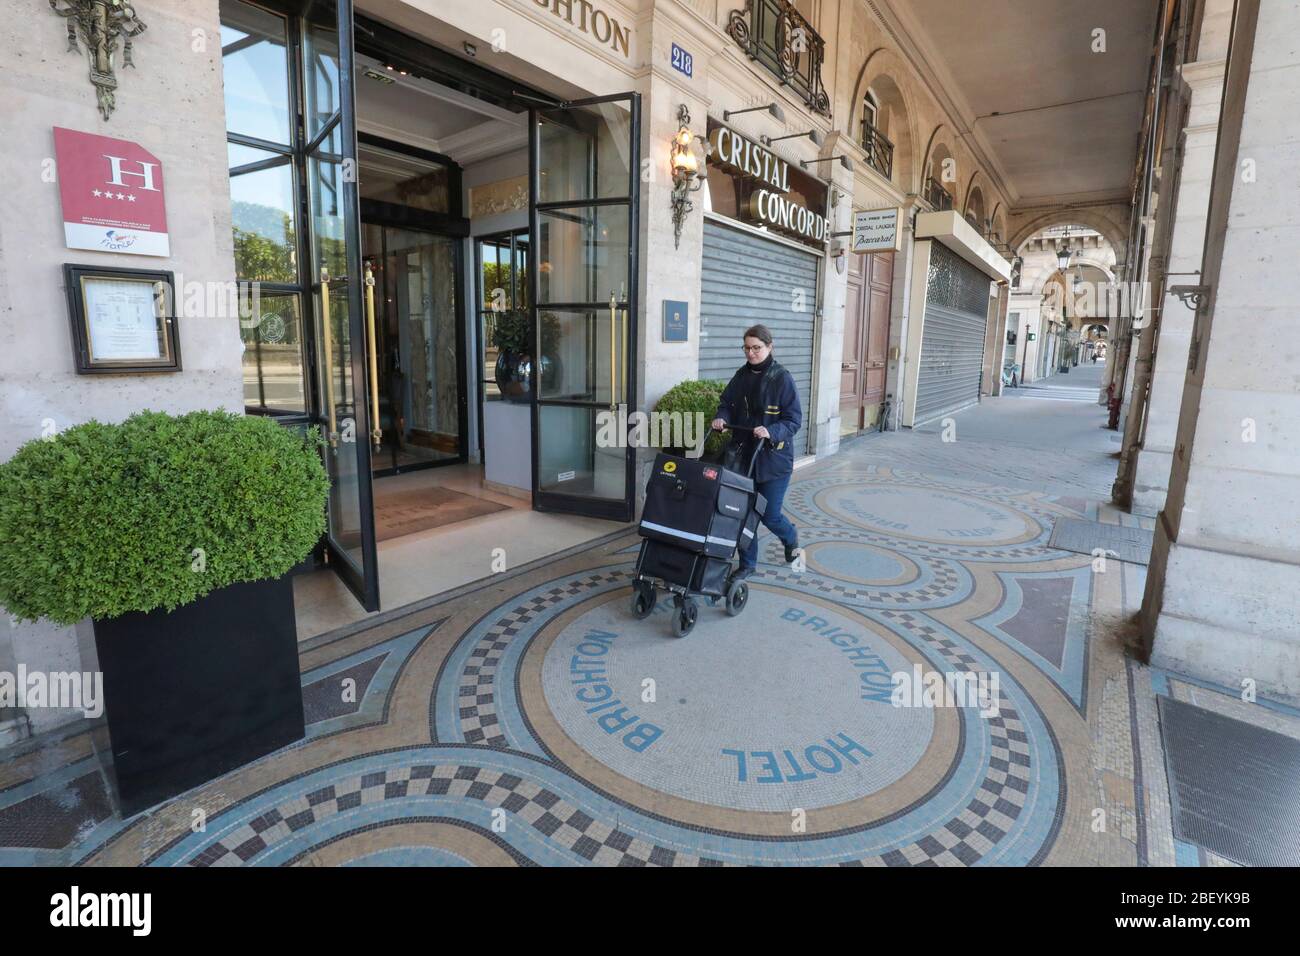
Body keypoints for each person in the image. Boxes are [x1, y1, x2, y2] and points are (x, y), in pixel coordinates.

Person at [711, 324, 802, 579]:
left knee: (770, 515)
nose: (751, 353)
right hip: (743, 458)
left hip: (773, 462)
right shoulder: (741, 376)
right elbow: (726, 404)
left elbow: (794, 420)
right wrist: (721, 418)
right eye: (747, 348)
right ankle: (748, 565)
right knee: (743, 513)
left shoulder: (782, 378)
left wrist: (771, 432)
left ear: (769, 347)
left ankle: (790, 536)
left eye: (757, 348)